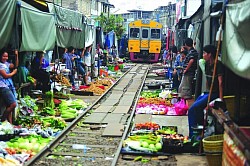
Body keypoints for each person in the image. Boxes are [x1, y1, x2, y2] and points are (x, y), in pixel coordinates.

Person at [188, 45, 224, 138]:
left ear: (210, 54)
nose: (203, 55)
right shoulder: (206, 64)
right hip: (208, 92)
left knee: (192, 109)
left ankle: (193, 136)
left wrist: (220, 100)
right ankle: (200, 130)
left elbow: (220, 83)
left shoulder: (218, 65)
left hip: (214, 94)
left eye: (204, 53)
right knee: (196, 108)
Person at [0, 49, 18, 124]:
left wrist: (16, 55)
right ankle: (2, 119)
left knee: (8, 105)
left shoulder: (6, 64)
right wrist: (13, 73)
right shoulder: (0, 65)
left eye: (7, 56)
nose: (6, 58)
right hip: (3, 86)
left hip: (8, 85)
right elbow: (5, 76)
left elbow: (15, 65)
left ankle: (10, 124)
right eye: (4, 56)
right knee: (13, 104)